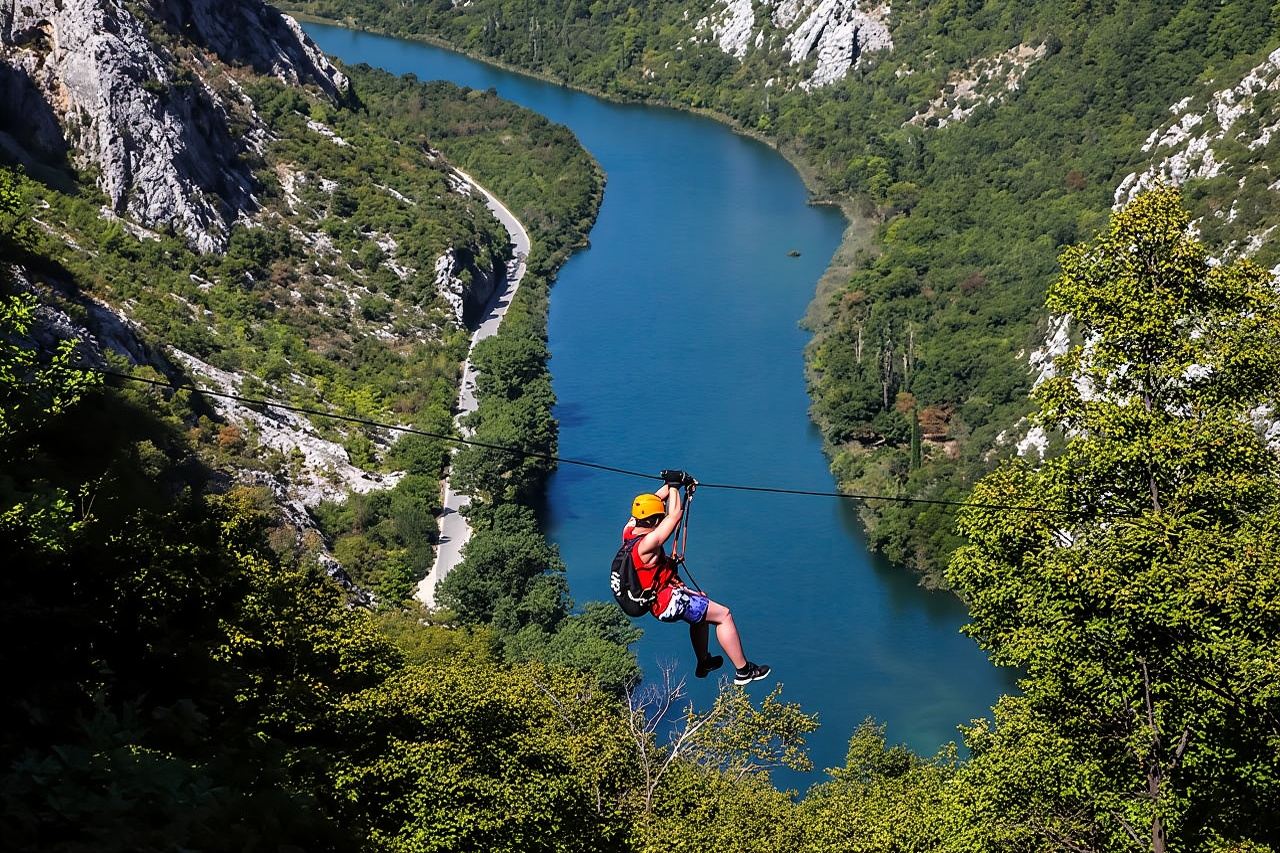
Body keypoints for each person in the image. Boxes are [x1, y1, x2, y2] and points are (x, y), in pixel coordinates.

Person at [624, 477, 770, 686]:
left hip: (659, 600)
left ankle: (704, 661)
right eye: (659, 517)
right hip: (669, 602)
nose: (661, 519)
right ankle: (744, 671)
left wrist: (673, 483)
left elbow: (653, 500)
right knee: (724, 615)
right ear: (654, 521)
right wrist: (675, 485)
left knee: (702, 606)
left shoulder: (629, 532)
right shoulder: (648, 543)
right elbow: (674, 517)